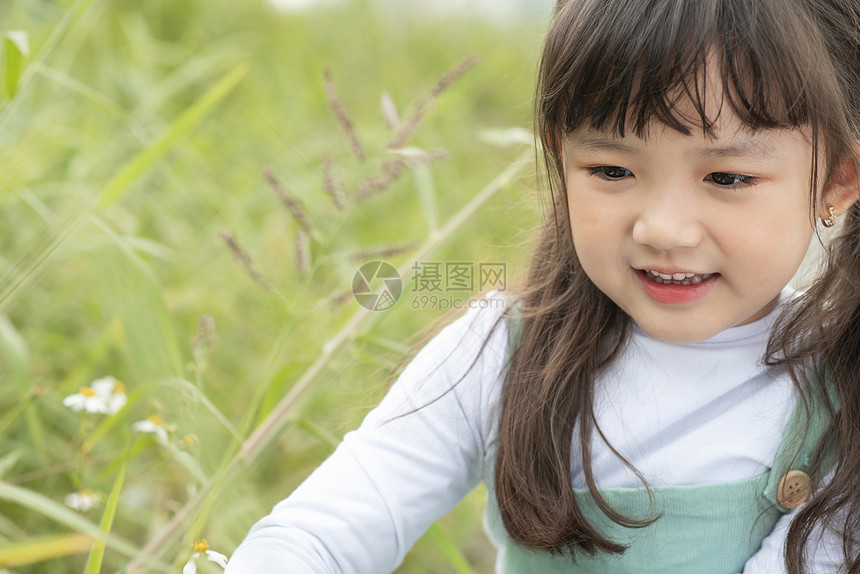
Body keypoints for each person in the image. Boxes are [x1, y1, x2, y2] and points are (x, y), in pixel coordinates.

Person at [226, 0, 860, 572]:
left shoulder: (842, 388)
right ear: (560, 157)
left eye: (727, 178)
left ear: (837, 180)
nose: (662, 229)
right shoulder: (498, 353)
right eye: (611, 169)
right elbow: (319, 535)